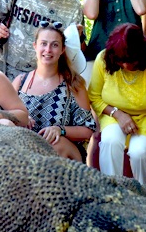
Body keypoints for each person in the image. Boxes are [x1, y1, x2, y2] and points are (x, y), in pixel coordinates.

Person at [88, 23, 146, 185]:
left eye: (131, 61)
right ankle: (113, 191)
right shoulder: (103, 60)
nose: (126, 66)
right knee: (111, 140)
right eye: (121, 61)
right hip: (113, 114)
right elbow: (94, 97)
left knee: (141, 152)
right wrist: (117, 114)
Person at [14, 22, 96, 161]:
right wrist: (20, 118)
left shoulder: (74, 84)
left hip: (63, 156)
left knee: (56, 143)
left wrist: (60, 130)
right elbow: (5, 117)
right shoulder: (20, 82)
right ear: (35, 46)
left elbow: (88, 130)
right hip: (26, 154)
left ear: (63, 49)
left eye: (55, 45)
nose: (48, 50)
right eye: (43, 44)